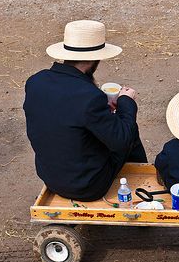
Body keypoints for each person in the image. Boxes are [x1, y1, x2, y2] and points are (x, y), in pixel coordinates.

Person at [24, 20, 147, 201]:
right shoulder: (90, 97)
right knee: (129, 130)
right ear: (93, 59)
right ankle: (141, 185)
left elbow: (64, 113)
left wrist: (103, 109)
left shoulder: (35, 81)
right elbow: (122, 140)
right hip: (87, 186)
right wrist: (126, 103)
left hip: (50, 175)